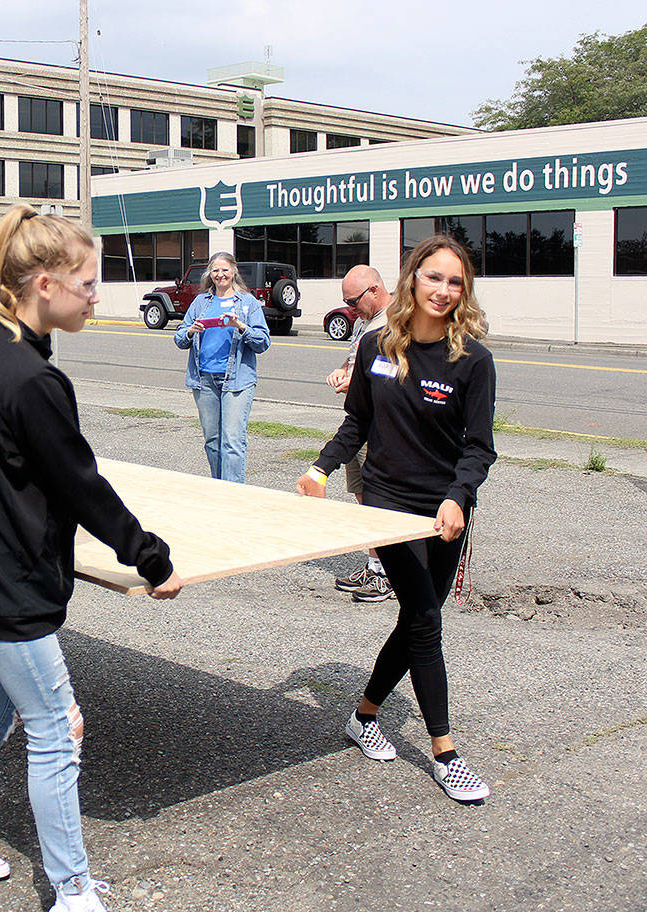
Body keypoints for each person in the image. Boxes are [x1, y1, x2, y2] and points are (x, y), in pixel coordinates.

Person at [0, 205, 183, 912]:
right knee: (59, 731)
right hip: (11, 583)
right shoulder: (32, 379)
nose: (97, 297)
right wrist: (152, 560)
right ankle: (71, 892)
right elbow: (83, 487)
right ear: (43, 284)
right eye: (88, 284)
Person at [296, 235, 497, 803]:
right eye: (434, 277)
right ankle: (445, 752)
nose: (443, 290)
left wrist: (458, 497)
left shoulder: (472, 361)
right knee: (427, 621)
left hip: (444, 512)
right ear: (412, 279)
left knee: (417, 619)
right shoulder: (376, 347)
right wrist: (320, 469)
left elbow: (479, 448)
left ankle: (363, 715)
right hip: (386, 505)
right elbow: (356, 423)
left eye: (455, 282)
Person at [327, 265, 395, 603]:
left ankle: (390, 572)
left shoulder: (397, 322)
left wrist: (362, 380)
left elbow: (397, 371)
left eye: (354, 301)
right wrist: (342, 372)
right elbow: (355, 359)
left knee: (380, 499)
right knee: (362, 496)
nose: (351, 309)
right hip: (358, 420)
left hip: (382, 426)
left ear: (375, 290)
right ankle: (374, 563)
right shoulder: (362, 323)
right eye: (347, 302)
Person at [173, 252, 270, 482]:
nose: (220, 275)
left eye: (225, 269)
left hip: (236, 382)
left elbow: (263, 342)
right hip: (204, 380)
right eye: (216, 270)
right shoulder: (201, 302)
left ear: (234, 271)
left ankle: (234, 494)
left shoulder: (247, 303)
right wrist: (190, 331)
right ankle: (219, 488)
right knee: (213, 441)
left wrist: (241, 326)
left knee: (232, 441)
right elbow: (179, 338)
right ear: (210, 273)